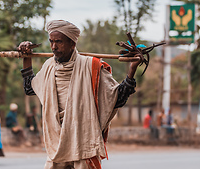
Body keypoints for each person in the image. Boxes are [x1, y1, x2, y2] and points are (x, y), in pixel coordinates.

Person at [19, 20, 141, 169]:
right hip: (56, 147)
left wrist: (132, 69)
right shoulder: (49, 67)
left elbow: (118, 98)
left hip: (83, 146)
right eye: (51, 41)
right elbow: (30, 88)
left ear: (72, 44)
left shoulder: (92, 67)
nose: (53, 47)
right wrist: (26, 58)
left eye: (59, 42)